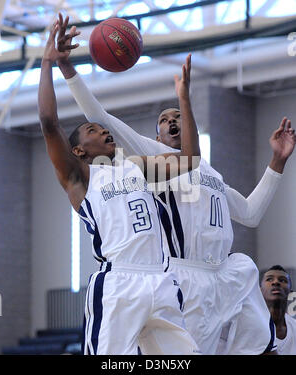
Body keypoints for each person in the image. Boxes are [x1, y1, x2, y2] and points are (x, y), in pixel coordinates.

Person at [55, 14, 296, 354]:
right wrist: (68, 71)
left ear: (192, 124)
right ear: (154, 137)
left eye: (177, 117)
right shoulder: (152, 158)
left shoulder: (212, 174)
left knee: (261, 340)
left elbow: (251, 215)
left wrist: (277, 162)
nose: (171, 122)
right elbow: (101, 117)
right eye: (163, 120)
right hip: (186, 276)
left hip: (227, 274)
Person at [38, 19, 202, 355]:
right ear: (79, 150)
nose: (103, 131)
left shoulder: (136, 167)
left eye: (104, 128)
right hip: (118, 283)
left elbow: (189, 161)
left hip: (161, 278)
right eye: (93, 131)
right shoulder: (79, 177)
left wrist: (184, 100)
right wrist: (48, 62)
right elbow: (48, 122)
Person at [261, 265, 296, 355]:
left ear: (290, 291)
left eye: (282, 280)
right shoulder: (250, 326)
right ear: (260, 290)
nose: (276, 282)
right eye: (269, 279)